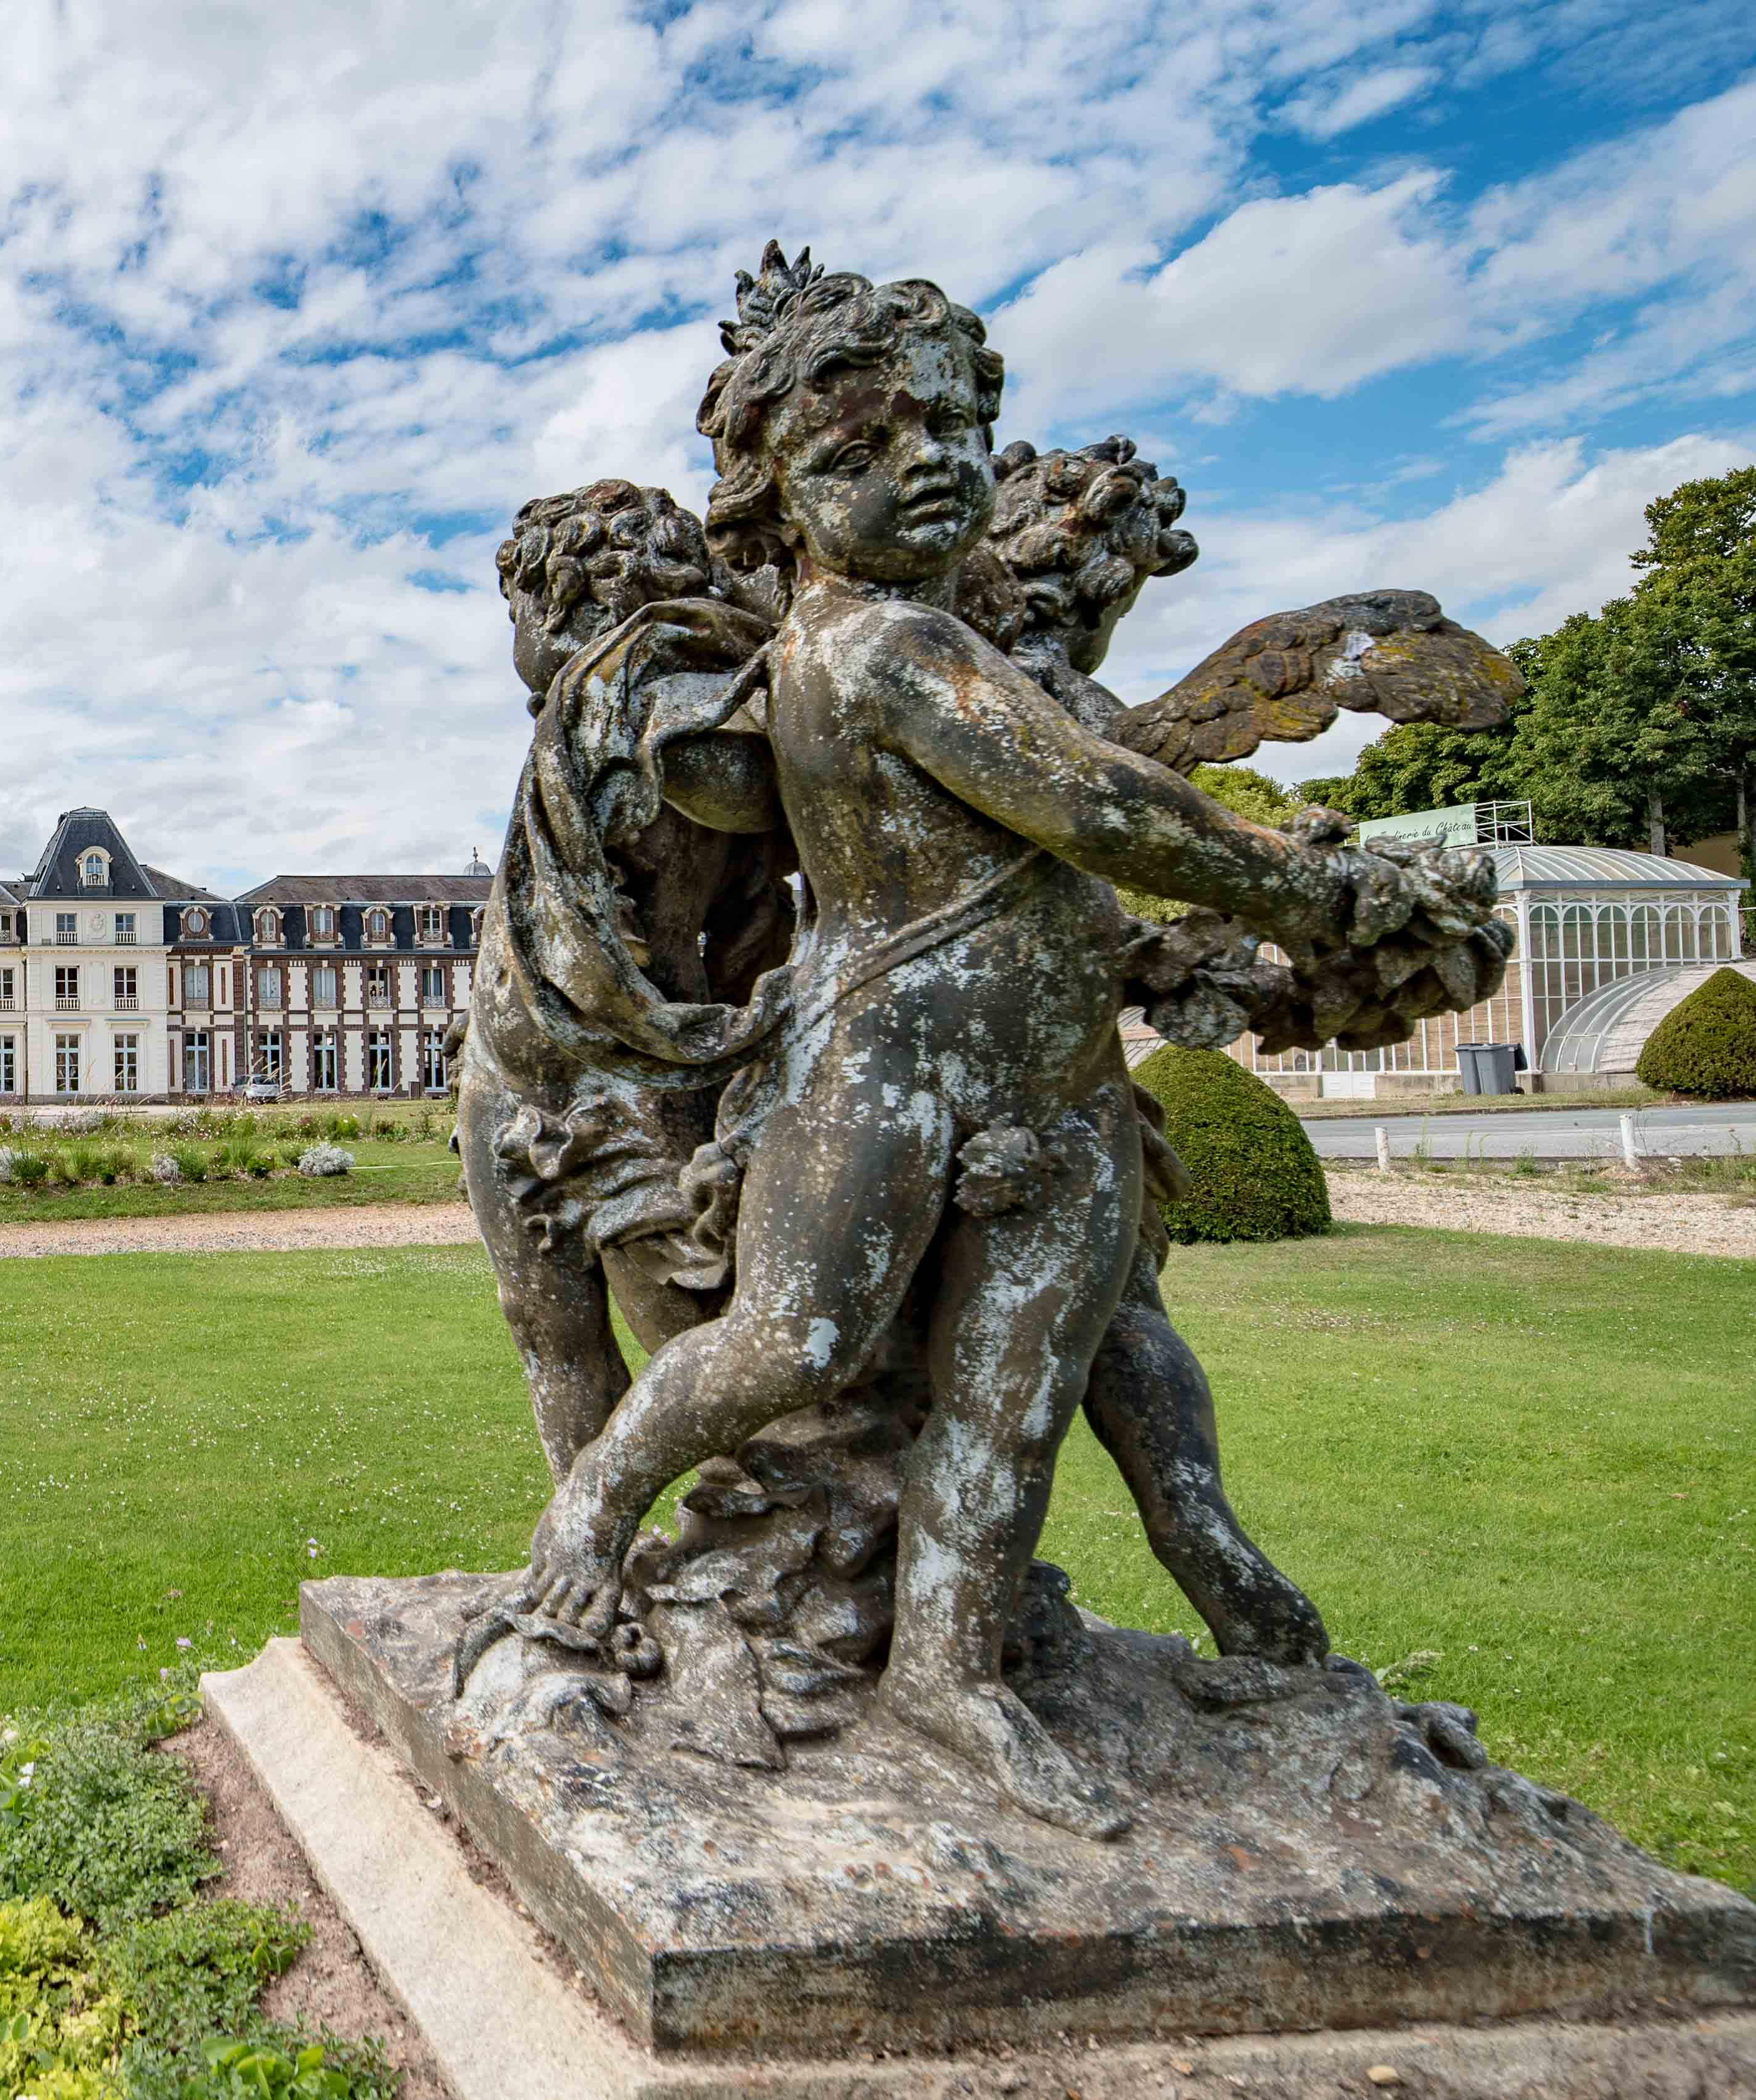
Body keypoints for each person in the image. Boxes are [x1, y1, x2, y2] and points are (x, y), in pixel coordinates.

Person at [498, 256, 1488, 1835]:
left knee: (1014, 1388)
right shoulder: (871, 647)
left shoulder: (964, 643)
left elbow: (1094, 813)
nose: (929, 464)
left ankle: (949, 1671)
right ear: (778, 495)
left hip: (1057, 1078)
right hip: (881, 1069)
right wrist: (1319, 890)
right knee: (792, 1342)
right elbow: (1097, 805)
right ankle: (594, 1512)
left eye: (952, 428)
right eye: (864, 449)